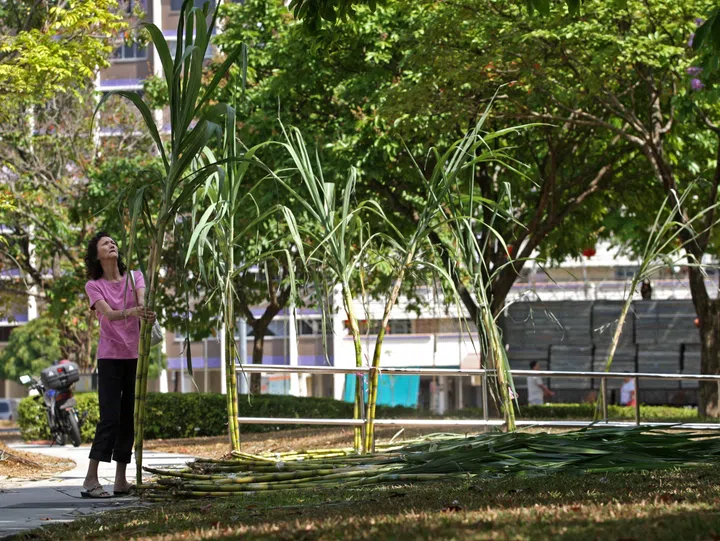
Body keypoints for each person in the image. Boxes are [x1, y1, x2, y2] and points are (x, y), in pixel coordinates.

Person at [81, 232, 155, 499]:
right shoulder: (94, 286)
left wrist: (145, 312)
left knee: (128, 419)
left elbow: (143, 302)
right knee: (109, 418)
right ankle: (90, 479)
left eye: (113, 241)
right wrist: (132, 312)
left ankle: (120, 480)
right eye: (105, 243)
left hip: (133, 356)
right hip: (110, 357)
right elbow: (109, 315)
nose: (111, 244)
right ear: (97, 254)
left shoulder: (135, 277)